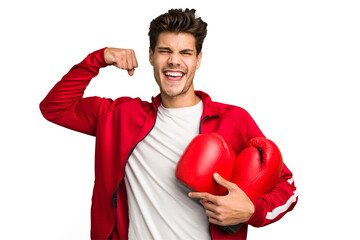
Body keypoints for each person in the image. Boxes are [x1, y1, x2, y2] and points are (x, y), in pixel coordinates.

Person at [40, 8, 298, 240]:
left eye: (185, 52)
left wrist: (252, 210)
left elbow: (287, 187)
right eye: (165, 51)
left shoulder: (233, 120)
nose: (174, 60)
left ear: (198, 59)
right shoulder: (119, 116)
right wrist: (99, 58)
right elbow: (54, 107)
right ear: (151, 56)